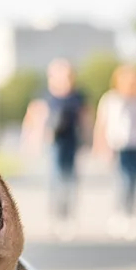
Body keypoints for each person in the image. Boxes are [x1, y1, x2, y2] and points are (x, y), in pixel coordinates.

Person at [23, 59, 88, 240]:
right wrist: (31, 139)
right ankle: (56, 217)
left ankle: (68, 217)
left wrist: (88, 139)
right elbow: (33, 116)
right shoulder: (45, 96)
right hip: (53, 143)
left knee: (71, 180)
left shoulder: (77, 96)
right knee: (56, 180)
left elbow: (85, 118)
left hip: (72, 142)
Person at [93, 64, 136, 240]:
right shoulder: (111, 99)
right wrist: (100, 145)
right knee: (123, 181)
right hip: (118, 145)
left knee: (134, 181)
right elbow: (101, 124)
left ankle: (133, 216)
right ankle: (120, 215)